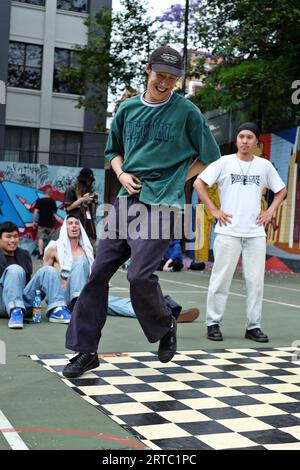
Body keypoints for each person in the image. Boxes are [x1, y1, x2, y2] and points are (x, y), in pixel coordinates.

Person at [63, 45, 220, 379]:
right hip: (126, 199)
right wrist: (120, 174)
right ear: (148, 69)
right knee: (98, 273)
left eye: (172, 78)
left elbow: (210, 154)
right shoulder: (128, 108)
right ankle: (86, 351)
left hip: (165, 203)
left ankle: (165, 324)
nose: (164, 82)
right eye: (160, 74)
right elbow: (114, 150)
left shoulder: (187, 112)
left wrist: (178, 178)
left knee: (138, 275)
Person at [193, 122, 287, 342]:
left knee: (255, 282)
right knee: (221, 279)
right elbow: (199, 183)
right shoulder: (224, 163)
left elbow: (281, 190)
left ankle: (253, 326)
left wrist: (270, 212)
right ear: (236, 140)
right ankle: (213, 323)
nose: (245, 141)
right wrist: (214, 210)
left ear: (256, 142)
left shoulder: (264, 166)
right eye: (242, 136)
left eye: (250, 137)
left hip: (255, 234)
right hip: (228, 232)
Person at [44, 215, 199, 323]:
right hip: (64, 300)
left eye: (76, 223)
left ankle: (161, 312)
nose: (74, 226)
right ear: (65, 227)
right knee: (101, 296)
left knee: (118, 303)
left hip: (85, 298)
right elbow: (46, 276)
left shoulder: (86, 250)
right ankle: (160, 312)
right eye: (70, 223)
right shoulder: (54, 248)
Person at [0, 222, 71, 329]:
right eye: (8, 237)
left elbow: (27, 285)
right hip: (2, 303)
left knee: (48, 270)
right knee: (15, 269)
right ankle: (15, 310)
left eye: (15, 236)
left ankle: (57, 309)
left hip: (23, 305)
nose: (13, 240)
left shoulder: (24, 255)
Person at [64, 168, 98, 253]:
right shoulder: (71, 189)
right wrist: (82, 200)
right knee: (76, 253)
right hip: (76, 225)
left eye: (91, 181)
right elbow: (68, 208)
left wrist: (92, 202)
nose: (89, 183)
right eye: (88, 180)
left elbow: (92, 211)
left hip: (89, 226)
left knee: (91, 253)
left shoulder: (89, 192)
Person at [33, 187, 57, 259]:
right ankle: (51, 254)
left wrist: (34, 221)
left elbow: (35, 211)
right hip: (50, 224)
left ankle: (41, 254)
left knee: (40, 238)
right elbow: (55, 211)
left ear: (45, 193)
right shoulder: (52, 201)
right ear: (51, 194)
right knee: (52, 240)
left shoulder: (39, 201)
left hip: (41, 223)